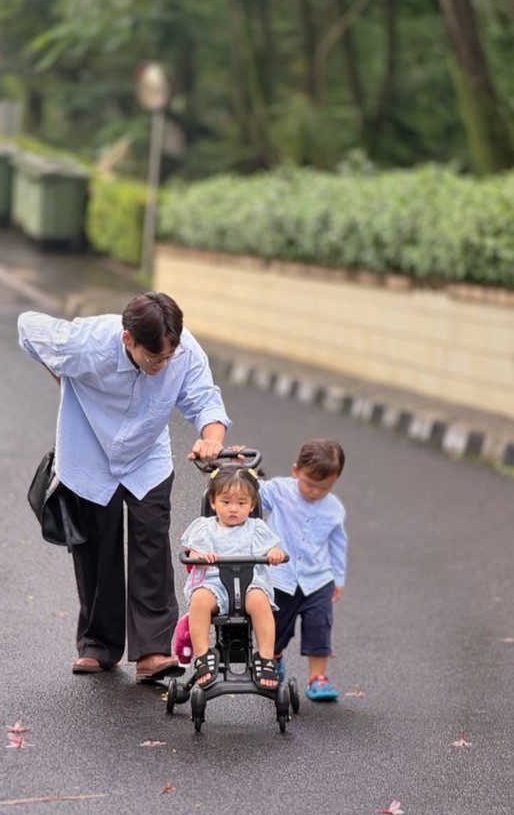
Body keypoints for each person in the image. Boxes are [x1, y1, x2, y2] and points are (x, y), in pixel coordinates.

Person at [17, 292, 230, 683]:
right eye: (154, 358)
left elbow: (204, 400)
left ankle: (152, 651)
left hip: (146, 457)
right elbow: (28, 327)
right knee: (97, 549)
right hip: (90, 454)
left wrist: (211, 437)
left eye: (168, 356)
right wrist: (64, 378)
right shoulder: (87, 342)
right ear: (128, 340)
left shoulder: (182, 352)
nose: (163, 364)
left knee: (151, 543)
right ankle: (98, 646)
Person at [181, 464, 286, 690]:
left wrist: (274, 553)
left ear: (252, 504)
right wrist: (200, 555)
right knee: (199, 600)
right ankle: (202, 656)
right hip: (214, 585)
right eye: (226, 502)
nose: (233, 509)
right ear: (212, 502)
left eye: (241, 503)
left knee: (260, 601)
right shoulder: (204, 528)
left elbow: (270, 548)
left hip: (249, 586)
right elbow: (193, 552)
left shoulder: (256, 528)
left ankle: (266, 658)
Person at [259, 439, 347, 701]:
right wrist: (242, 470)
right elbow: (250, 493)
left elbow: (337, 545)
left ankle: (317, 678)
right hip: (281, 577)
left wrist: (337, 578)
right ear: (296, 470)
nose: (315, 492)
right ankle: (273, 658)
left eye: (325, 487)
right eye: (309, 483)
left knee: (320, 625)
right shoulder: (278, 490)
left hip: (317, 579)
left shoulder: (334, 509)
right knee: (275, 627)